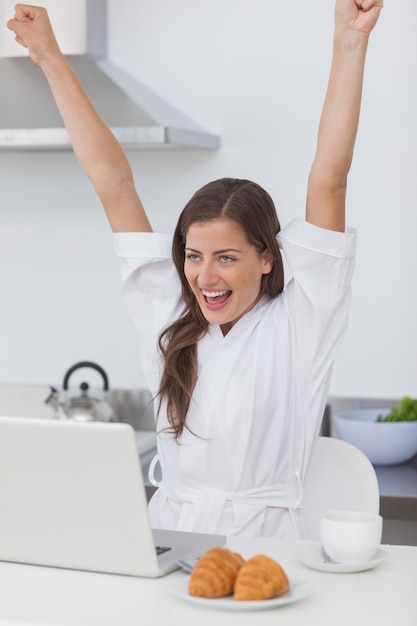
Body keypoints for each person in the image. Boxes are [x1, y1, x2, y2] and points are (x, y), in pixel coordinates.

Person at [7, 1, 383, 539]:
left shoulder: (303, 322)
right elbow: (114, 184)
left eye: (227, 258)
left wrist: (350, 42)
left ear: (267, 257)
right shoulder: (168, 312)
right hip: (168, 538)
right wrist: (49, 58)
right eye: (193, 255)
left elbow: (330, 182)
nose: (205, 276)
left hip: (266, 552)